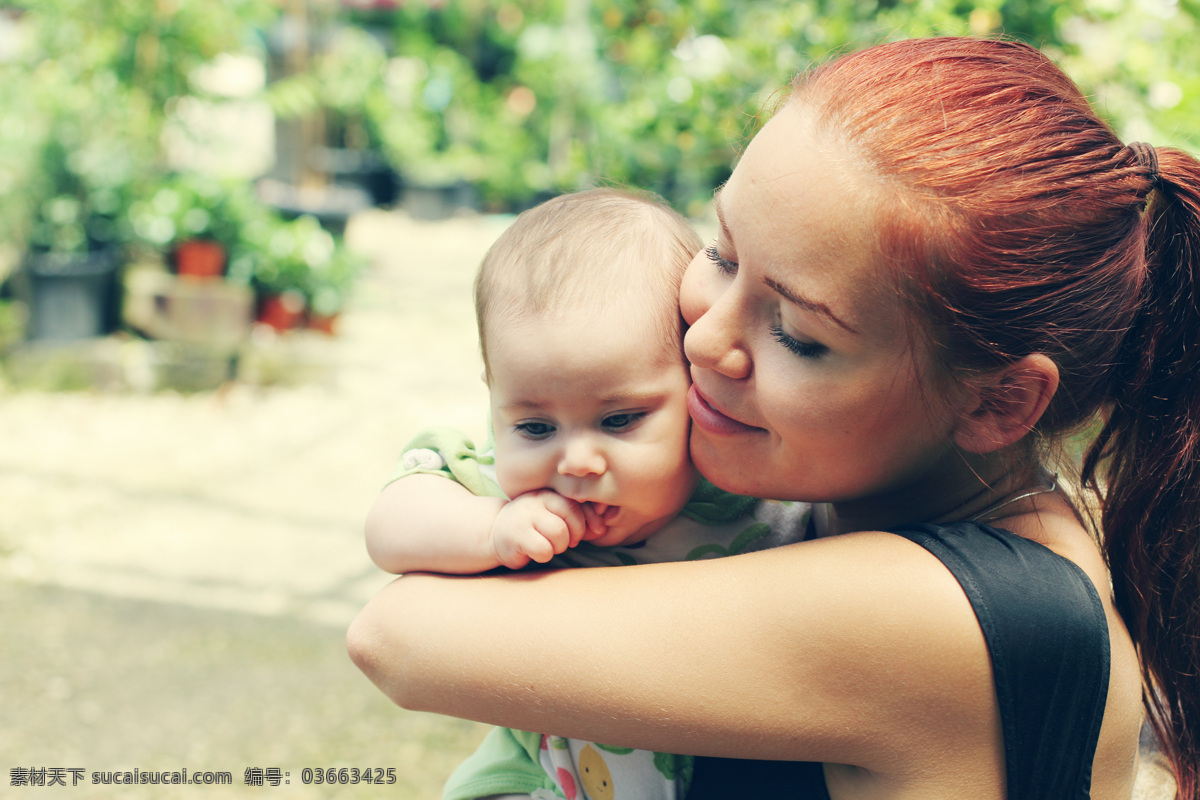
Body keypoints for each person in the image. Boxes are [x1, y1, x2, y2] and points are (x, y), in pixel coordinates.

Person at [348, 36, 1200, 800]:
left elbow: (400, 636)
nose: (707, 337)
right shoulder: (877, 507)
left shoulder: (944, 613)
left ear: (998, 400)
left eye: (796, 334)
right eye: (721, 252)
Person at [365, 187, 811, 800]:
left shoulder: (748, 496)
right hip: (546, 776)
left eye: (619, 420)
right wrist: (490, 529)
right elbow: (391, 522)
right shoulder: (502, 496)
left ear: (694, 390)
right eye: (535, 427)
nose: (574, 462)